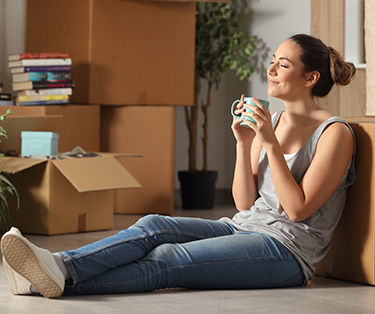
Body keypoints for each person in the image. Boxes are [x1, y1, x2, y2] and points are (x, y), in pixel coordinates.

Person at [1, 34, 356, 298]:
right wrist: (243, 144)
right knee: (154, 226)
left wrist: (268, 144)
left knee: (168, 259)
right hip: (243, 227)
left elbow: (296, 210)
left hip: (287, 252)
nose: (271, 69)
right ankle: (58, 266)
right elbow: (245, 205)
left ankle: (41, 281)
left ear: (310, 78)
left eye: (284, 64)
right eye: (274, 60)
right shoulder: (274, 122)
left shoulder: (335, 133)